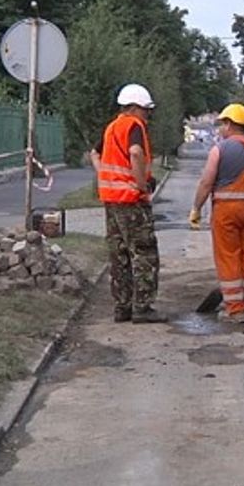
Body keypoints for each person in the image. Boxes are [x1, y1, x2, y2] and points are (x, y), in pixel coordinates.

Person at [189, 103, 244, 323]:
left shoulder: (220, 149)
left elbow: (207, 182)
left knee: (228, 257)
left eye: (222, 125)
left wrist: (196, 208)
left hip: (226, 212)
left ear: (229, 124)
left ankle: (234, 309)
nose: (220, 129)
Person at [91, 84, 165, 324]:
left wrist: (106, 176)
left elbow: (94, 153)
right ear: (134, 108)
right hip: (131, 201)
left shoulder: (111, 128)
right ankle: (142, 307)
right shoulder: (134, 126)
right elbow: (135, 153)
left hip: (111, 201)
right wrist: (141, 184)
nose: (147, 115)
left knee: (119, 254)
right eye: (145, 110)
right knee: (143, 253)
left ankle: (122, 307)